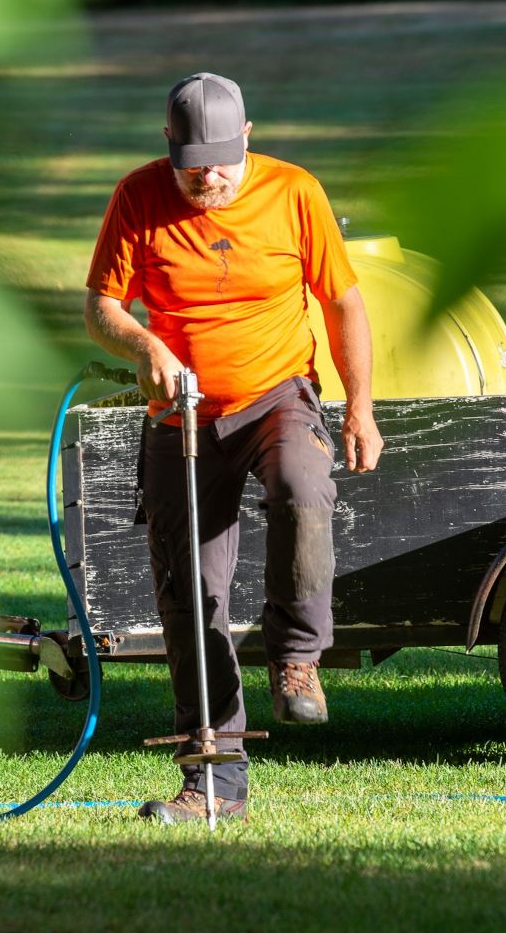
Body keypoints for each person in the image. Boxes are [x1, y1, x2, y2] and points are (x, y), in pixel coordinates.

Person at [85, 72, 383, 824]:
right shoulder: (137, 197)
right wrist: (143, 342)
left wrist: (361, 410)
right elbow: (101, 306)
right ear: (170, 148)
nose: (209, 178)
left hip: (278, 394)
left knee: (302, 486)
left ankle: (298, 659)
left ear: (246, 139)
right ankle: (214, 784)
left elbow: (344, 301)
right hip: (179, 419)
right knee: (190, 601)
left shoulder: (293, 193)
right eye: (193, 166)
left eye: (222, 161)